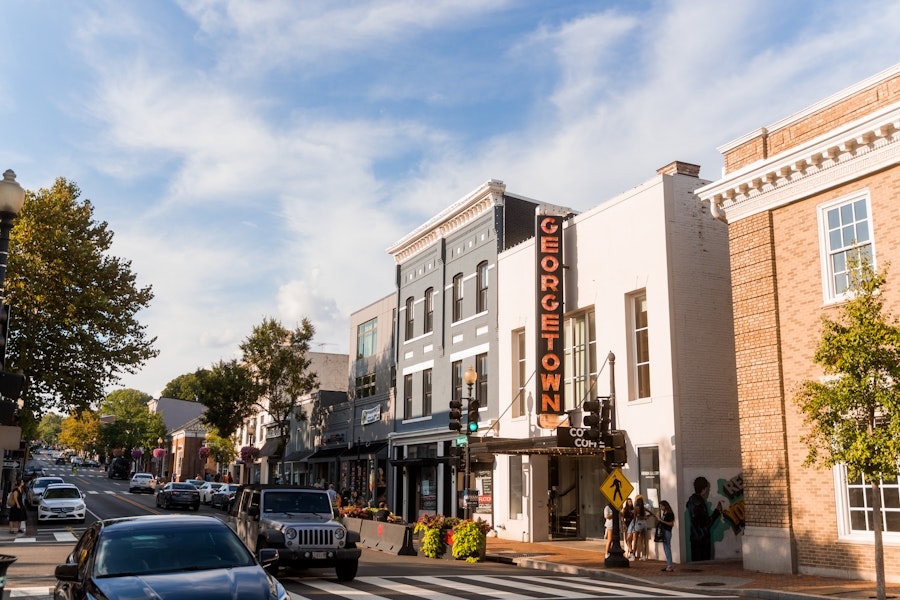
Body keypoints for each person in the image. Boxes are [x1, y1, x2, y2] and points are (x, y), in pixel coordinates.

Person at [686, 476, 722, 562]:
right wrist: (716, 512)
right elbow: (706, 523)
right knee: (704, 563)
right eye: (707, 489)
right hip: (702, 539)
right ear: (704, 489)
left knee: (696, 562)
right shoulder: (700, 503)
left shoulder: (691, 501)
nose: (708, 491)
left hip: (694, 537)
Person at [654, 500, 676, 571]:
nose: (661, 508)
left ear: (665, 506)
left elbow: (671, 524)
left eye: (661, 506)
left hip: (667, 531)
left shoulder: (670, 514)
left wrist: (662, 521)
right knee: (665, 548)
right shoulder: (664, 514)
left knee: (667, 548)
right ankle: (668, 564)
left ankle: (670, 565)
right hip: (663, 531)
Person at [632, 494, 650, 560]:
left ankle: (633, 555)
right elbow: (650, 513)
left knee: (635, 540)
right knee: (643, 540)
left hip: (638, 523)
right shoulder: (644, 508)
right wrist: (646, 517)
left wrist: (633, 525)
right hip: (644, 523)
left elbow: (634, 517)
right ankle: (644, 556)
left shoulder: (636, 508)